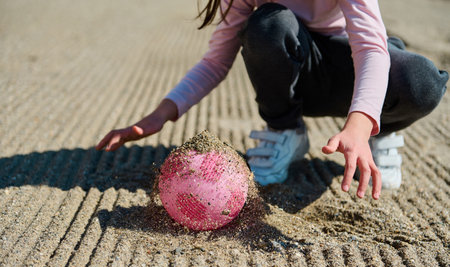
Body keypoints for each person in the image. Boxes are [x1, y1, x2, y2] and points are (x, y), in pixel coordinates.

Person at [96, 0, 448, 200]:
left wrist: (359, 124)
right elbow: (215, 62)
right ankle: (285, 131)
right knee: (267, 25)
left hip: (355, 72)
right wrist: (159, 115)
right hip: (299, 77)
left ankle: (378, 132)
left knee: (421, 82)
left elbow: (371, 49)